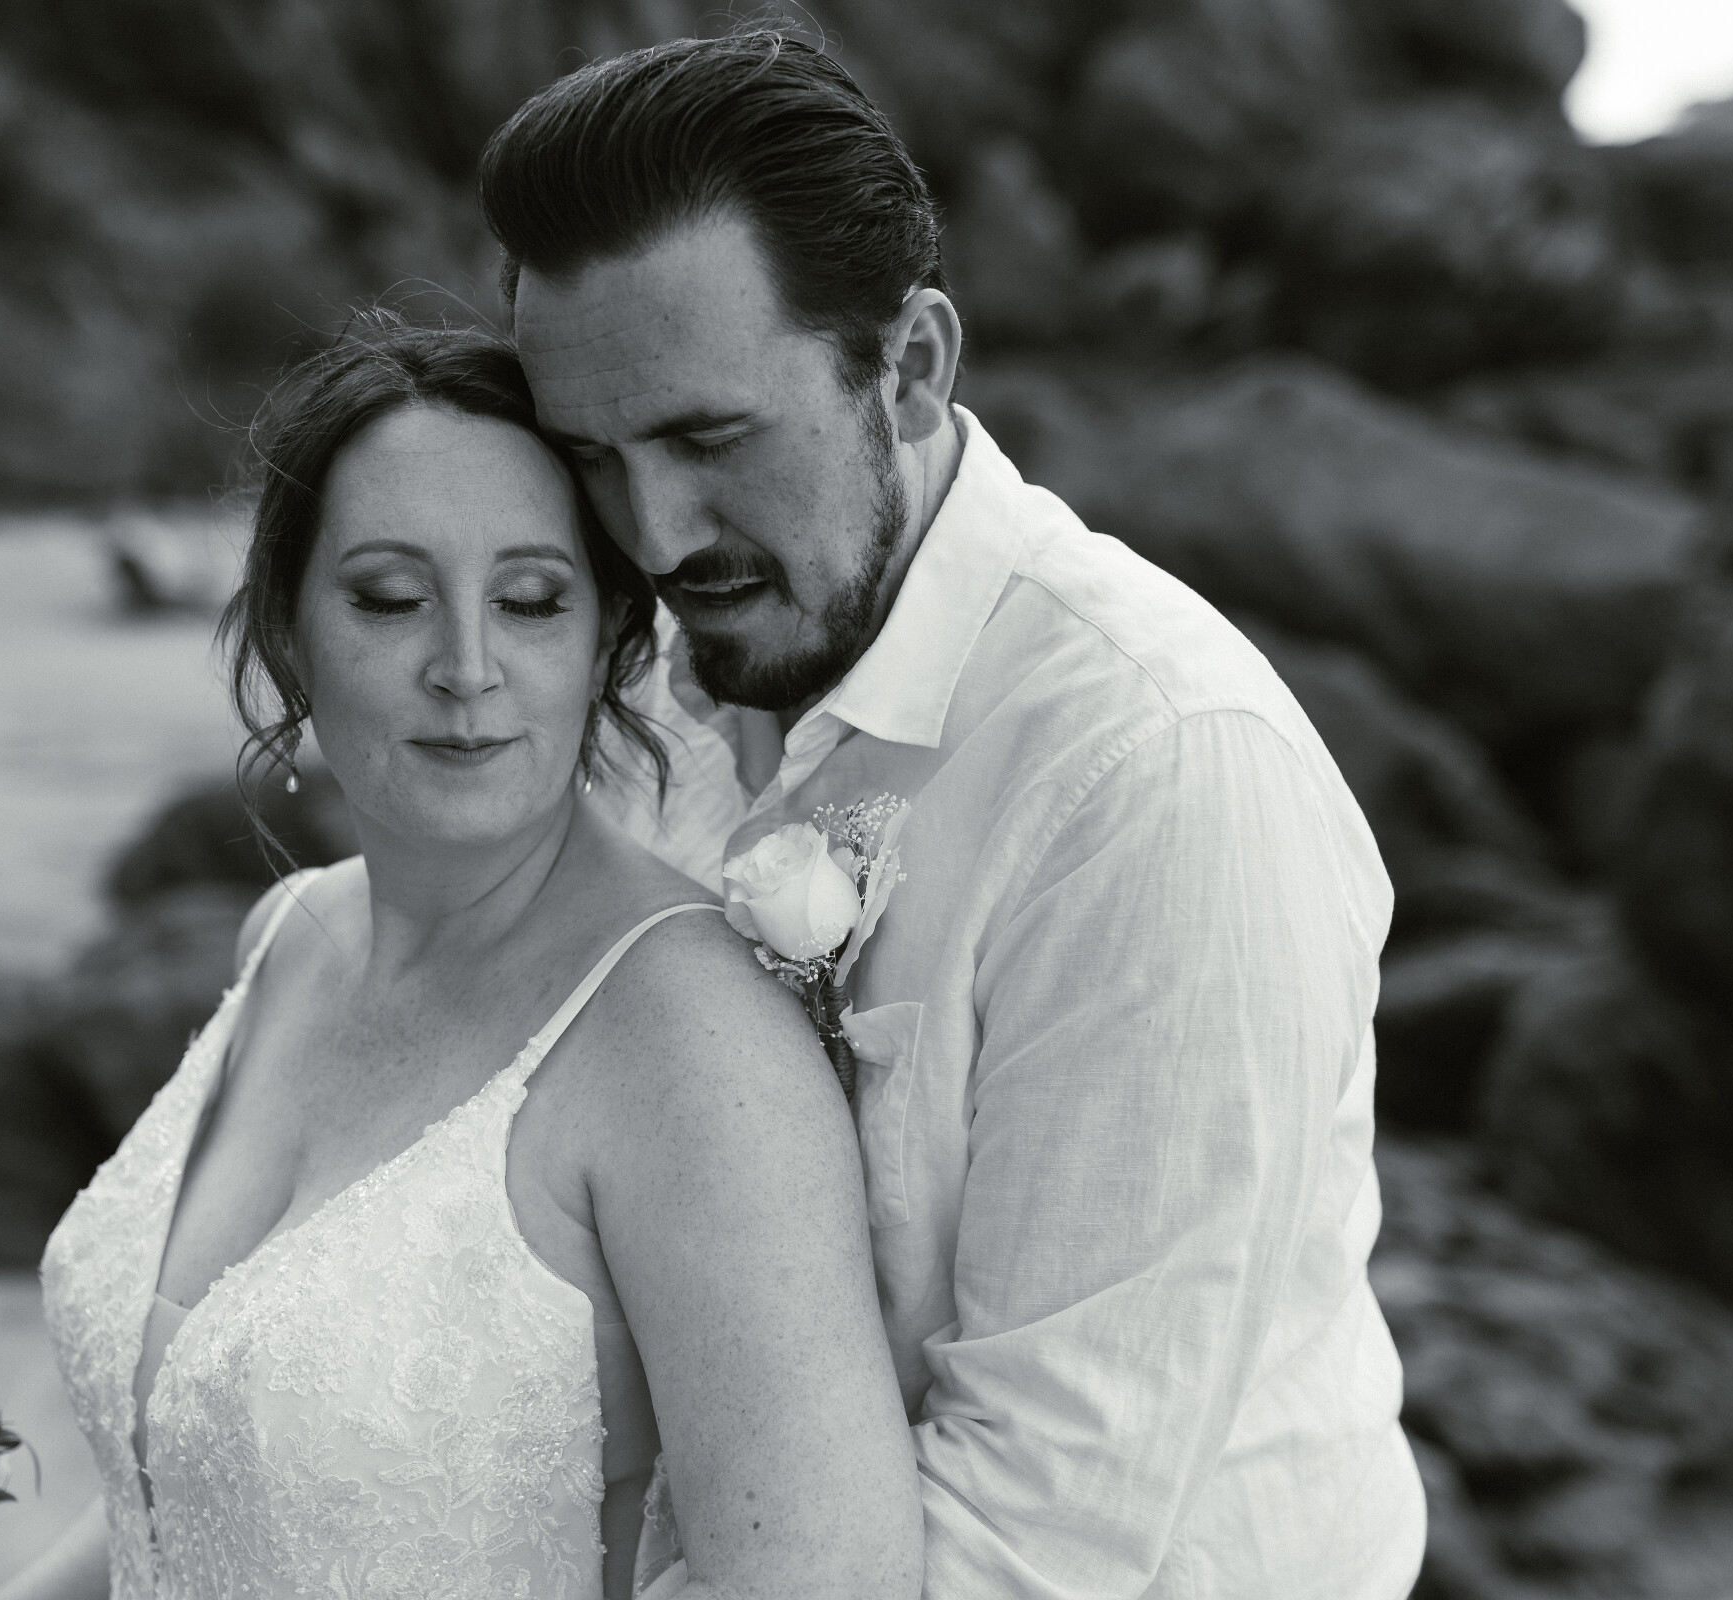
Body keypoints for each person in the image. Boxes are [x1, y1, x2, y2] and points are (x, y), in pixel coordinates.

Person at [480, 30, 1429, 1599]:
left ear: (913, 368)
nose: (652, 534)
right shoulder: (643, 691)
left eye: (709, 439)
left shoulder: (1159, 774)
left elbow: (1042, 1527)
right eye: (590, 455)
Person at [13, 323, 922, 1600]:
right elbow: (173, 1496)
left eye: (531, 601)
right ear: (288, 630)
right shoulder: (289, 936)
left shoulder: (693, 1046)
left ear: (610, 640)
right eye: (391, 599)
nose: (467, 669)